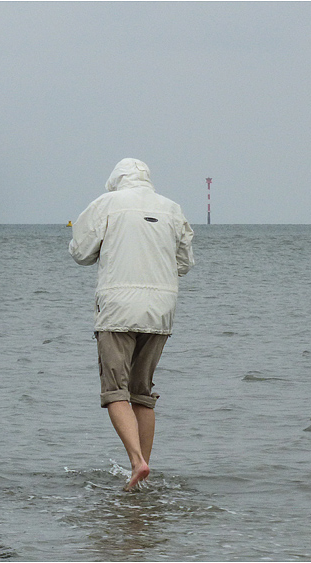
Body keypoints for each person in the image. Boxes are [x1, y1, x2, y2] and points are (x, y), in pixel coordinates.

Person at [69, 158, 194, 490]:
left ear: (116, 181)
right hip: (161, 309)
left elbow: (80, 252)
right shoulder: (172, 208)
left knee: (115, 391)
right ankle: (141, 472)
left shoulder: (107, 204)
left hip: (117, 308)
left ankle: (136, 462)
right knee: (142, 392)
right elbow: (184, 263)